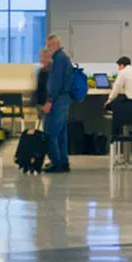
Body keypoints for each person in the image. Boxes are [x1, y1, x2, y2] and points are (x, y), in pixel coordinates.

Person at [32, 39, 82, 173]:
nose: (48, 48)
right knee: (61, 134)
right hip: (63, 100)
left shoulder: (58, 59)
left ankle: (56, 163)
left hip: (57, 101)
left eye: (49, 45)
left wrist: (49, 101)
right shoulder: (64, 58)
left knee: (50, 133)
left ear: (56, 45)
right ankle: (63, 162)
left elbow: (55, 84)